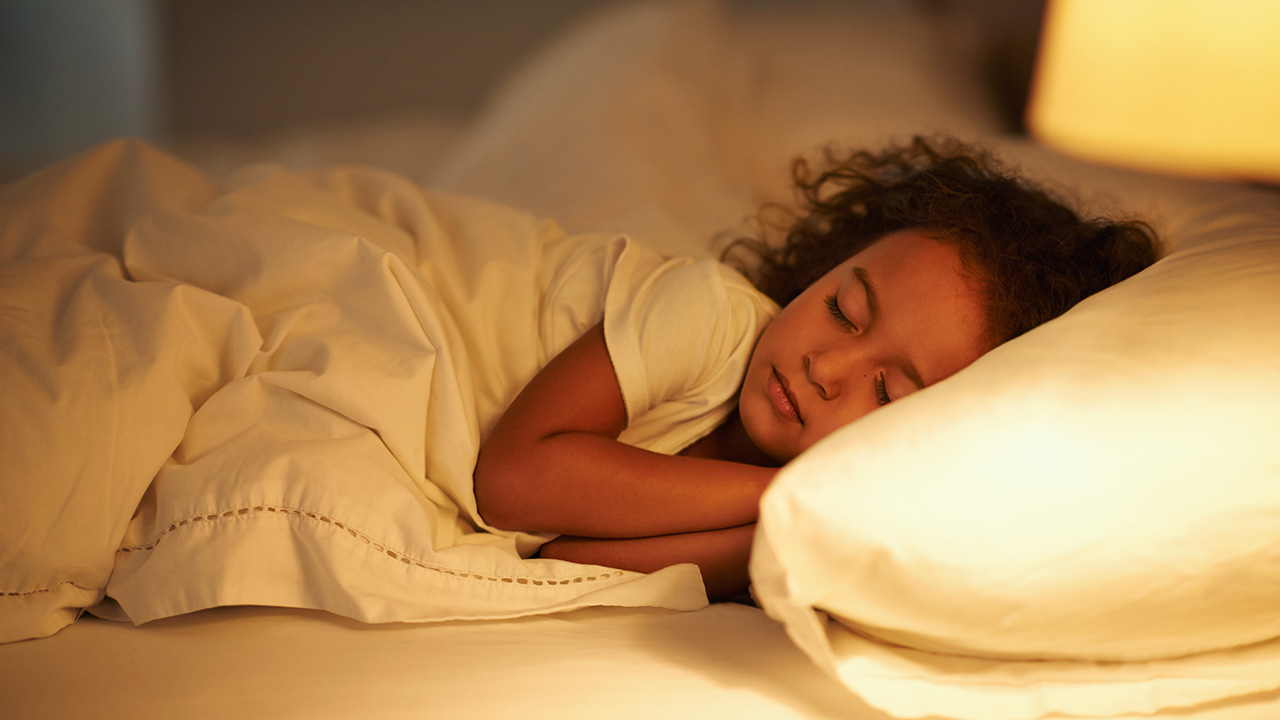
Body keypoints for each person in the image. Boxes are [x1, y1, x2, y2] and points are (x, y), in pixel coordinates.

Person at [473, 135, 1161, 600]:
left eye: (888, 390)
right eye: (843, 307)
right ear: (823, 267)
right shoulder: (710, 316)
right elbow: (512, 482)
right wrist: (779, 494)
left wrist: (781, 527)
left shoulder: (792, 515)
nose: (827, 366)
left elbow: (564, 564)